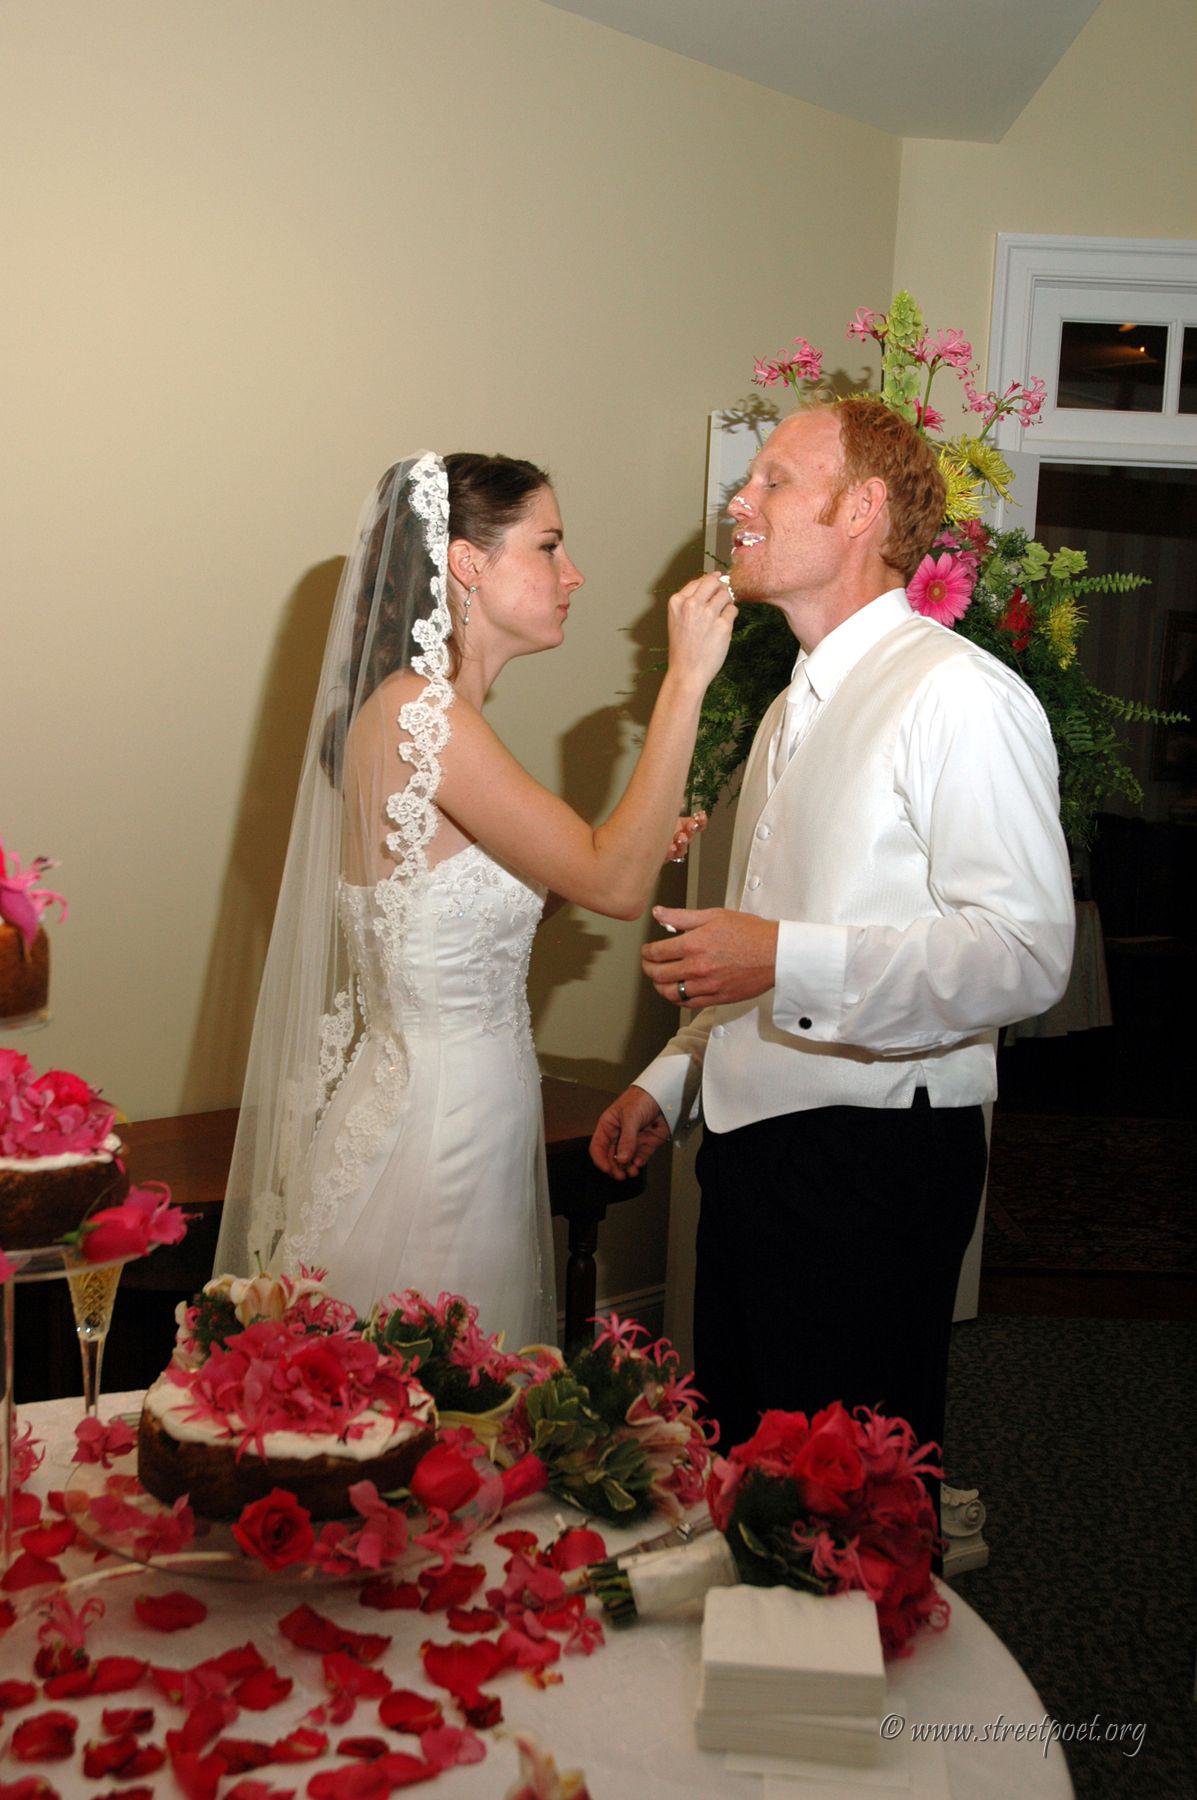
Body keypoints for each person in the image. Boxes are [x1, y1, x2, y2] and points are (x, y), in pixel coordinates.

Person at [590, 399, 1075, 1483]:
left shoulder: (958, 694)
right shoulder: (784, 710)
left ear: (860, 509)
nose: (740, 500)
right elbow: (758, 943)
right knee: (744, 1477)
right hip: (750, 1156)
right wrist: (671, 1079)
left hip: (875, 1163)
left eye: (773, 479)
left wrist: (780, 957)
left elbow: (1026, 952)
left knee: (848, 1506)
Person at [215, 451, 734, 1346]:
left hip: (466, 1110)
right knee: (432, 1386)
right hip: (439, 1131)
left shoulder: (426, 712)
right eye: (549, 545)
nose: (573, 575)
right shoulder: (419, 714)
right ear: (467, 563)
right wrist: (685, 680)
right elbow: (615, 885)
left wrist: (620, 845)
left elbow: (491, 910)